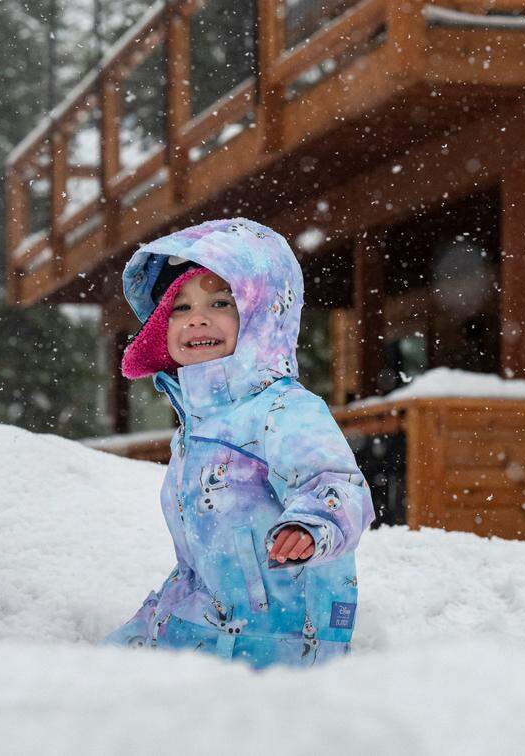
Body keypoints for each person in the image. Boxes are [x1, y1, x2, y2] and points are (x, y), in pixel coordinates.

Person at [102, 218, 374, 669]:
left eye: (220, 302)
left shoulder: (283, 410)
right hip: (205, 620)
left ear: (262, 311)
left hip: (279, 637)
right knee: (97, 678)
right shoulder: (196, 422)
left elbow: (336, 483)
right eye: (179, 308)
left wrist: (309, 526)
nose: (198, 319)